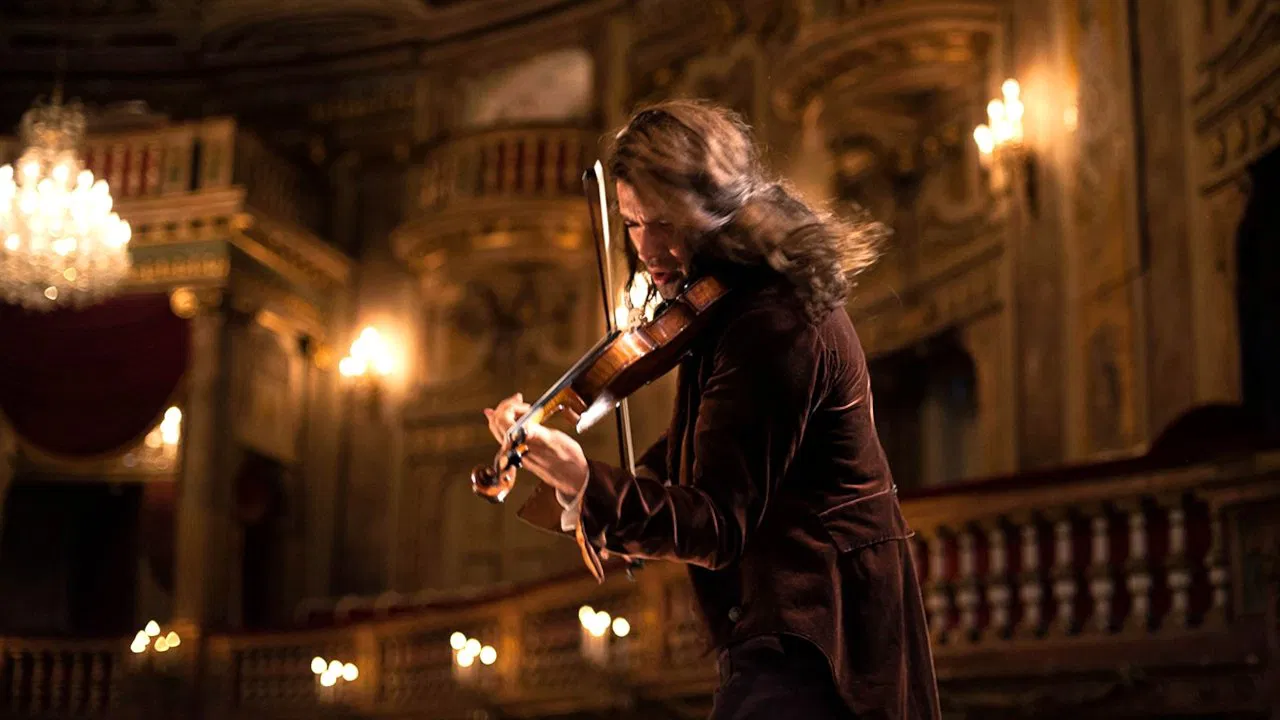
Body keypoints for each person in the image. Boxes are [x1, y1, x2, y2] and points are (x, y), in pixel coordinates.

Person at [483, 99, 941, 720]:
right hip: (788, 628)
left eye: (665, 223)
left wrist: (585, 479)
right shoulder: (730, 305)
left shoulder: (774, 318)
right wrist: (589, 481)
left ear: (716, 209)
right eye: (632, 223)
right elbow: (698, 455)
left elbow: (718, 524)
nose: (648, 248)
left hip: (825, 638)